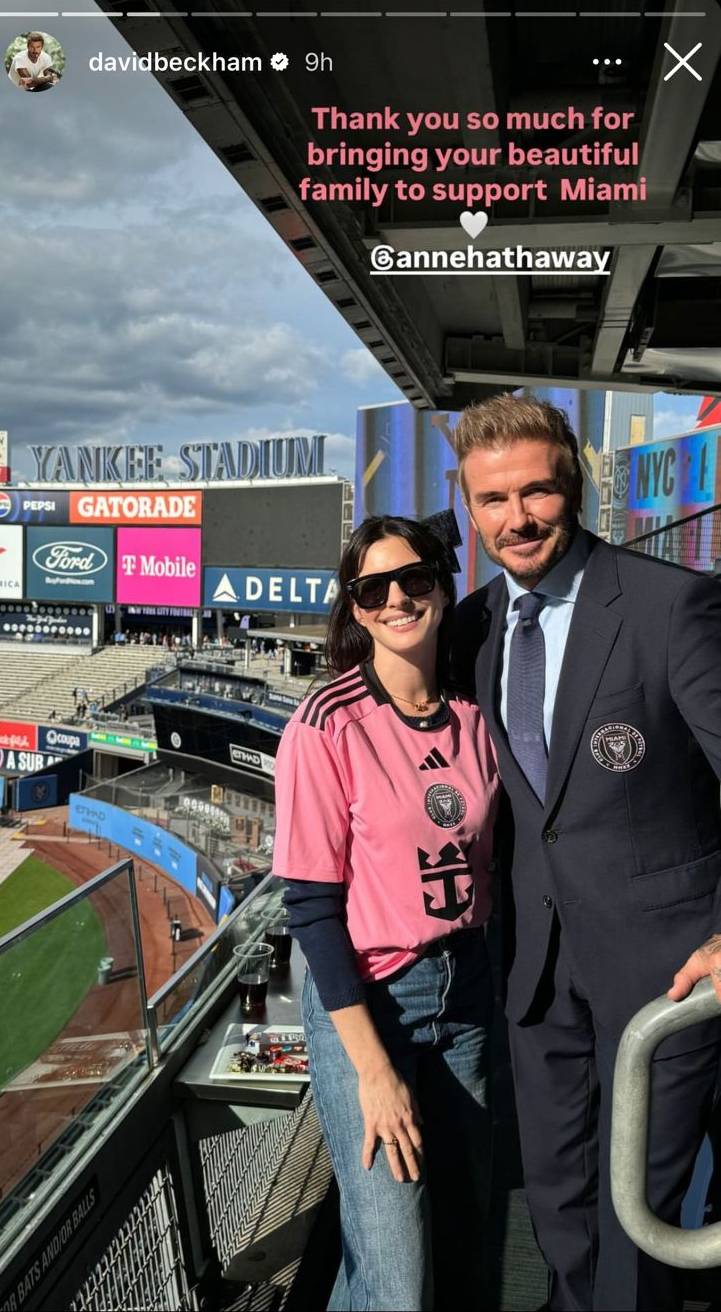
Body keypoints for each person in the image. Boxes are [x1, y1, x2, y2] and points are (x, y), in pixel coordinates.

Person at [450, 393, 721, 1312]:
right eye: (492, 500)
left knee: (633, 1211)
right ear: (466, 504)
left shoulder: (669, 605)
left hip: (667, 970)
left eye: (536, 492)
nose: (516, 518)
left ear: (572, 487)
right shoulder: (472, 627)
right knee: (560, 1200)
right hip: (535, 970)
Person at [273, 513, 500, 1311]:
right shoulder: (324, 723)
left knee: (470, 1232)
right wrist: (371, 1070)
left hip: (466, 993)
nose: (398, 599)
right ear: (355, 608)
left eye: (416, 580)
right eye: (374, 589)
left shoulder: (477, 712)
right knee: (396, 1277)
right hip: (371, 1006)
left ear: (443, 585)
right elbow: (310, 907)